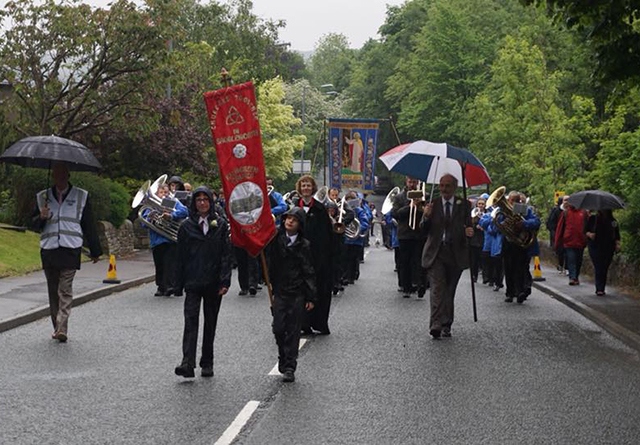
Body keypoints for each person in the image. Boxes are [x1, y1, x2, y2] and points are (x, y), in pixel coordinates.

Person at [32, 161, 102, 342]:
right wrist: (41, 217)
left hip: (71, 248)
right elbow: (30, 225)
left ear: (68, 176)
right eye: (57, 174)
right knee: (53, 291)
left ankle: (62, 327)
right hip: (49, 250)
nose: (60, 178)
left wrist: (95, 249)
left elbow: (89, 224)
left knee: (65, 289)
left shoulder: (81, 196)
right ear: (53, 176)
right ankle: (57, 325)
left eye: (63, 174)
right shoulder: (42, 197)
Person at [174, 186, 231, 378]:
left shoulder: (220, 225)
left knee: (210, 322)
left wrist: (225, 281)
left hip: (214, 282)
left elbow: (225, 255)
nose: (202, 203)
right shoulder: (186, 226)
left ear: (211, 202)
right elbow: (180, 256)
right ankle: (187, 363)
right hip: (193, 281)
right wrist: (178, 283)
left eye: (205, 199)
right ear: (193, 203)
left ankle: (207, 362)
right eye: (198, 200)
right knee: (190, 322)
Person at [266, 207, 316, 383]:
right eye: (288, 218)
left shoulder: (305, 245)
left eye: (294, 219)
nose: (290, 221)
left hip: (297, 292)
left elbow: (309, 270)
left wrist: (310, 296)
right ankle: (282, 354)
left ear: (300, 224)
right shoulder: (275, 240)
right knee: (278, 327)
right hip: (280, 290)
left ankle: (289, 366)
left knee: (293, 330)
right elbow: (268, 261)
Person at [420, 174, 473, 339]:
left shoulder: (464, 204)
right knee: (437, 288)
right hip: (436, 253)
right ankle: (435, 324)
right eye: (441, 185)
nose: (444, 189)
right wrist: (426, 216)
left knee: (449, 291)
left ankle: (446, 323)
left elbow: (469, 227)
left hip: (456, 253)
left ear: (455, 187)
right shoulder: (433, 204)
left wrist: (469, 231)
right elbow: (423, 229)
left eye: (447, 186)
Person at [295, 175, 333, 335]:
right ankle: (303, 323)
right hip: (298, 256)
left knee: (319, 289)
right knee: (300, 290)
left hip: (317, 255)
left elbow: (326, 234)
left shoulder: (320, 209)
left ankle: (319, 322)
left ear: (312, 188)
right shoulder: (294, 208)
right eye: (303, 185)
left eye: (308, 185)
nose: (305, 188)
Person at [143, 183, 188, 296]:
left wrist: (172, 215)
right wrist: (151, 217)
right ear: (156, 194)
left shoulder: (172, 201)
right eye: (161, 192)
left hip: (170, 239)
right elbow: (144, 222)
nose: (164, 195)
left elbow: (184, 211)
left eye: (166, 192)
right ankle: (160, 287)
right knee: (159, 264)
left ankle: (169, 286)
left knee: (170, 263)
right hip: (156, 240)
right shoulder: (151, 205)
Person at [500, 191, 540, 303]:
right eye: (512, 200)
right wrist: (504, 223)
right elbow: (496, 224)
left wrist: (524, 224)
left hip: (520, 244)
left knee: (520, 269)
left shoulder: (524, 210)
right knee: (508, 268)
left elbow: (536, 222)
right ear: (508, 201)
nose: (514, 203)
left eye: (517, 200)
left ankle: (520, 291)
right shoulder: (502, 211)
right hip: (508, 243)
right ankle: (510, 293)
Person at [391, 176, 427, 299]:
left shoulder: (424, 195)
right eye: (410, 182)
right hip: (405, 234)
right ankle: (406, 287)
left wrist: (421, 206)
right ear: (406, 182)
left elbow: (428, 215)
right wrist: (410, 206)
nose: (412, 184)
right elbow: (395, 214)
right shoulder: (399, 197)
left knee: (419, 261)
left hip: (419, 233)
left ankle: (419, 284)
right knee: (404, 261)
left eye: (415, 182)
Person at [586, 209, 621, 296]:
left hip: (608, 247)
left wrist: (617, 244)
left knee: (605, 267)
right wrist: (590, 234)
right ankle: (599, 288)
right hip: (595, 246)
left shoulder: (612, 221)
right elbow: (585, 230)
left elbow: (617, 234)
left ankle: (602, 287)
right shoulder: (593, 219)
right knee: (598, 266)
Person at [554, 197, 588, 286]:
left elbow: (588, 225)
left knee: (578, 260)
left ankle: (575, 276)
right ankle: (572, 278)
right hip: (568, 241)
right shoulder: (565, 213)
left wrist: (586, 238)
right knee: (571, 259)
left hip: (580, 241)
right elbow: (560, 228)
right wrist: (557, 241)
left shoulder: (583, 213)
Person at [546, 196, 565, 272]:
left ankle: (563, 266)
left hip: (562, 233)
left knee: (563, 251)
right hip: (557, 233)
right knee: (560, 251)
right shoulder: (555, 211)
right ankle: (561, 265)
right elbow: (551, 223)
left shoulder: (567, 211)